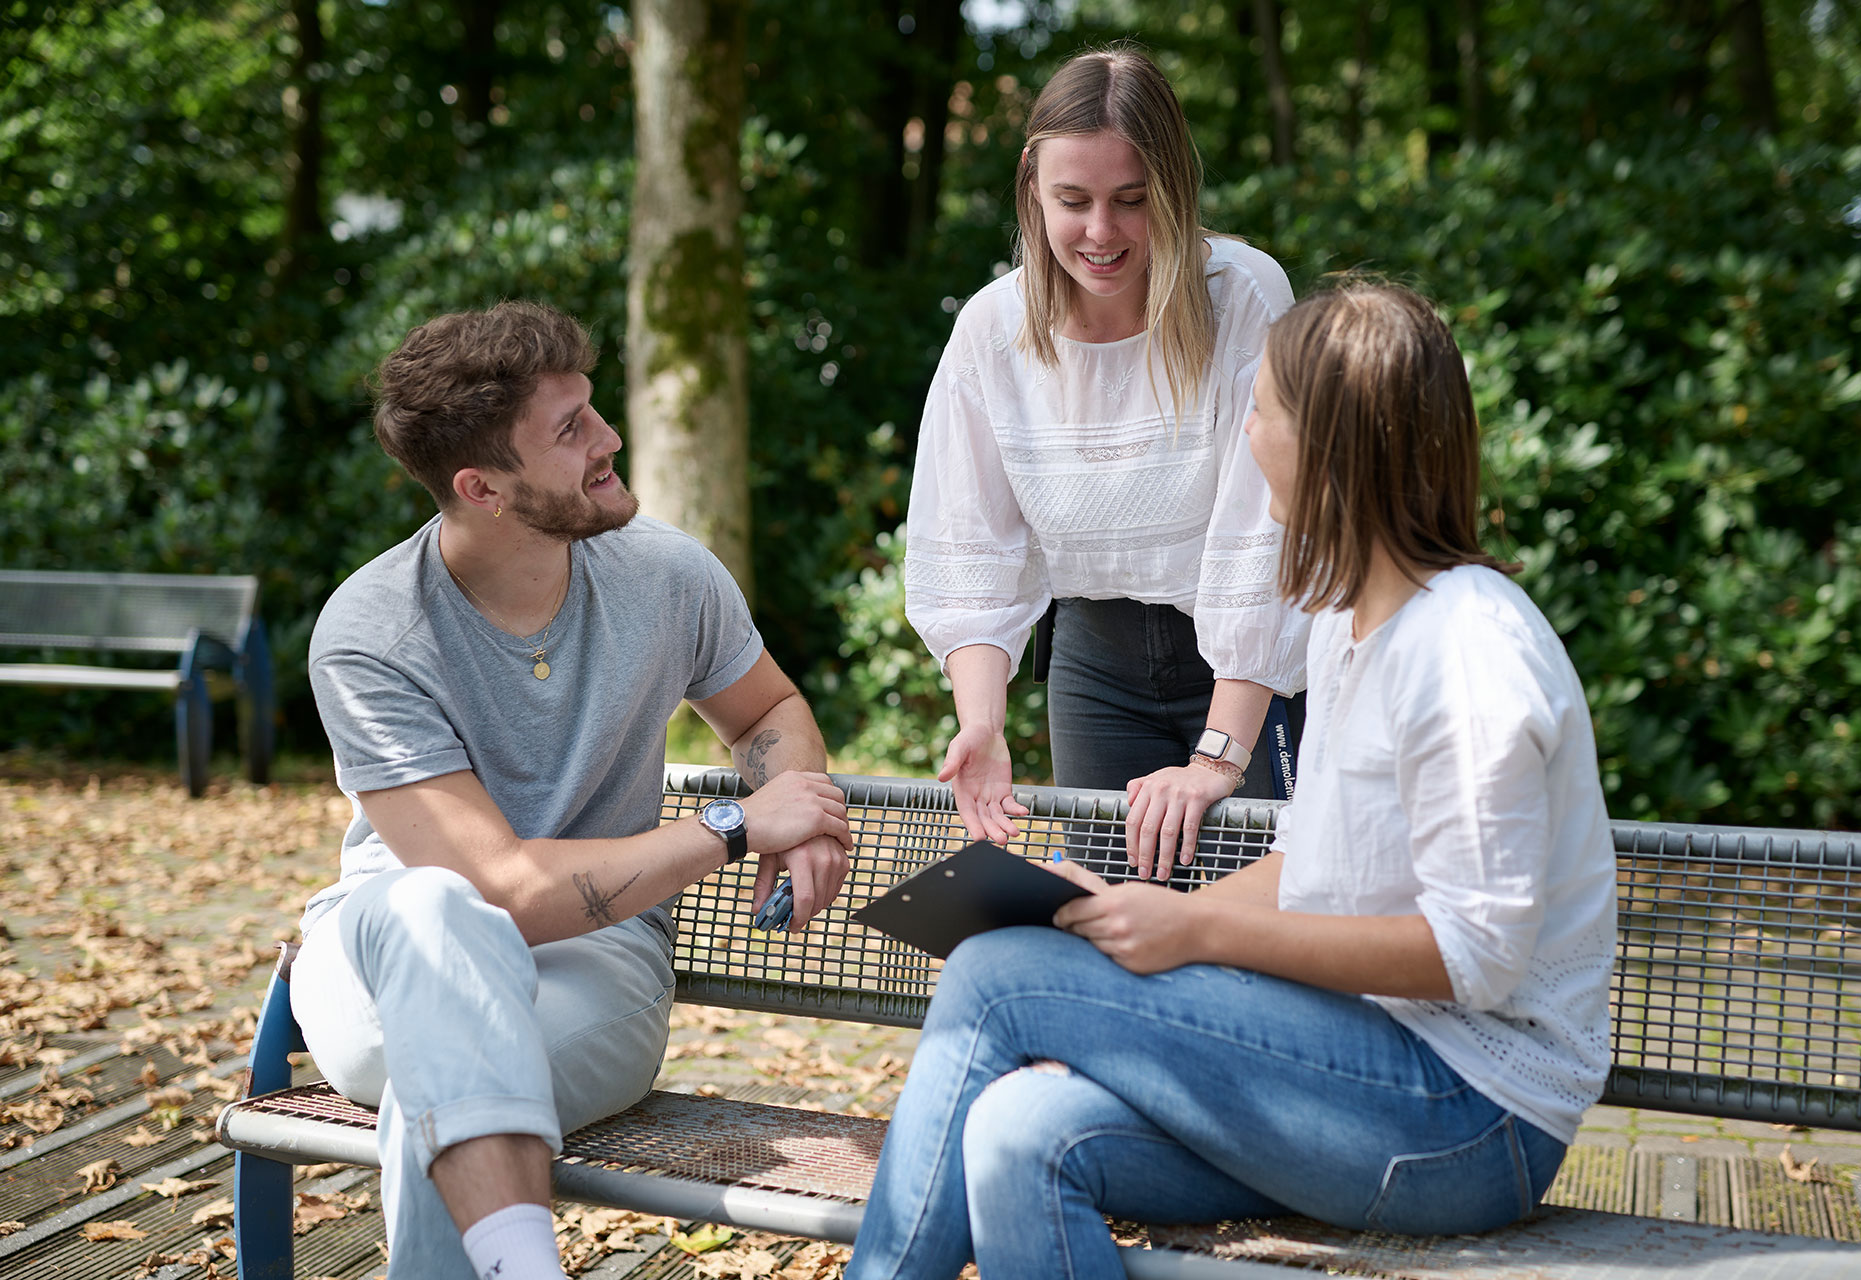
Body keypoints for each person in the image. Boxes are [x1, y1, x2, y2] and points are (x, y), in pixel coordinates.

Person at [846, 282, 1618, 1279]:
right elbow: (1306, 865)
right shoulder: (1347, 622)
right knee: (1017, 1128)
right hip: (1353, 1068)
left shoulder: (1468, 653)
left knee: (994, 977)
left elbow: (1477, 956)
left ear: (1332, 447)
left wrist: (1195, 932)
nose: (1244, 437)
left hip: (1470, 1117)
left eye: (1260, 411)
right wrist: (1132, 913)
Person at [294, 300, 853, 1280]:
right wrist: (733, 824)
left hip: (595, 966)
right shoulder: (372, 634)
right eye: (570, 430)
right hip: (384, 957)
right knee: (434, 907)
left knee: (441, 1088)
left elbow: (766, 708)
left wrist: (798, 807)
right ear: (483, 488)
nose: (609, 438)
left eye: (593, 408)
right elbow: (500, 887)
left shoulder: (667, 574)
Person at [903, 45, 1311, 880]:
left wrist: (1218, 758)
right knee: (1116, 917)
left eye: (1132, 200)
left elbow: (1263, 544)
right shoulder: (991, 330)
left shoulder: (1246, 296)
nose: (1100, 232)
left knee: (1253, 920)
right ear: (1031, 184)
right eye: (1073, 200)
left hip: (1247, 672)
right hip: (1095, 667)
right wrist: (981, 722)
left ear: (1175, 187)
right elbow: (970, 550)